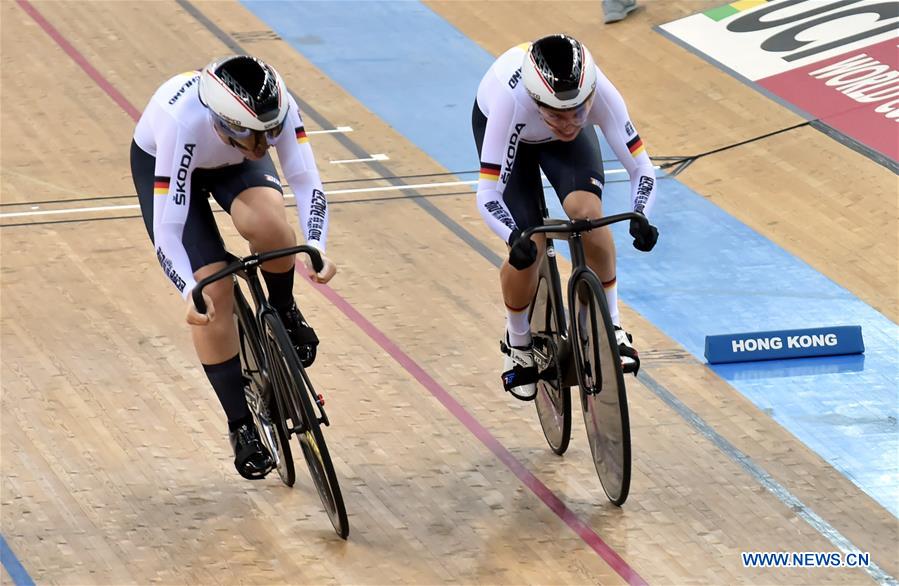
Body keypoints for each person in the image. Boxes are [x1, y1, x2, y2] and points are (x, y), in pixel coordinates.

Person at [130, 55, 337, 478]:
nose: (262, 148)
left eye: (269, 135)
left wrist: (315, 245)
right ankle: (241, 425)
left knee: (271, 227)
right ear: (220, 119)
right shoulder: (182, 122)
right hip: (169, 163)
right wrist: (188, 291)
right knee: (213, 290)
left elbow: (305, 181)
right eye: (251, 136)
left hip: (230, 164)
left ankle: (284, 310)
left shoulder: (274, 110)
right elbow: (169, 232)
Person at [472, 34, 659, 401]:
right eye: (557, 115)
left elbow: (642, 168)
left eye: (578, 112)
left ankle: (612, 325)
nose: (570, 123)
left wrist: (641, 214)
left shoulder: (599, 93)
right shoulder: (511, 102)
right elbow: (488, 193)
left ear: (588, 96)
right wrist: (513, 238)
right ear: (536, 100)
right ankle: (519, 341)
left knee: (588, 215)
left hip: (559, 147)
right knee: (531, 242)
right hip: (511, 135)